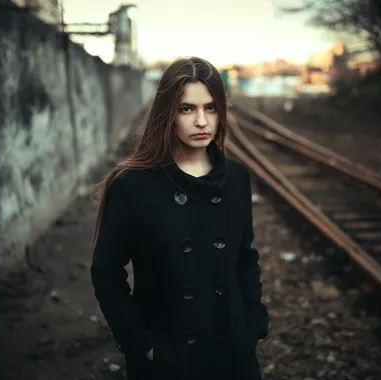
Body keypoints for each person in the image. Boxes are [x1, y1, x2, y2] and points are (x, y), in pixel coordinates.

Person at [90, 56, 269, 380]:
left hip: (232, 350)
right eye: (187, 109)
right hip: (167, 355)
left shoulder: (237, 178)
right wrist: (138, 342)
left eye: (210, 108)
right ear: (167, 113)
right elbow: (106, 271)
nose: (201, 121)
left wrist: (254, 321)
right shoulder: (133, 184)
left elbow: (245, 256)